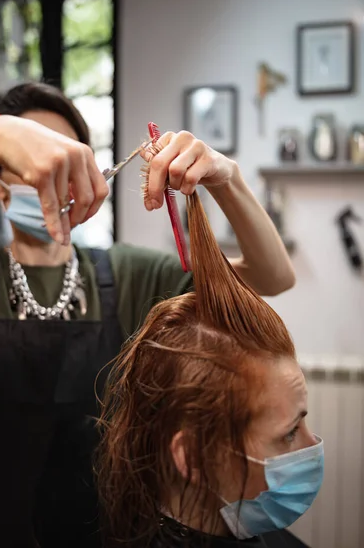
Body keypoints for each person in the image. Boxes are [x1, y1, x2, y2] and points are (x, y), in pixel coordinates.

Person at [0, 82, 295, 548]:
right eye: (33, 162)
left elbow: (272, 277)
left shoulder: (128, 274)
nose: (53, 180)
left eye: (66, 163)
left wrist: (227, 178)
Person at [97, 190, 322, 548]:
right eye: (290, 433)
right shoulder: (123, 271)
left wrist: (226, 178)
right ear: (193, 455)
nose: (314, 445)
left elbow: (274, 275)